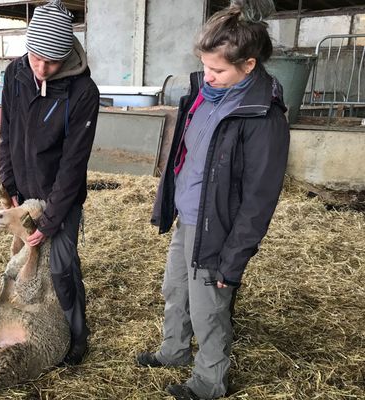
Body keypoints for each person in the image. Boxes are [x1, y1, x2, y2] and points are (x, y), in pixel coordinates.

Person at [136, 1, 290, 399]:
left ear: (249, 65)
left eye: (218, 69)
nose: (208, 76)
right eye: (205, 66)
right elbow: (185, 159)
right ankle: (173, 351)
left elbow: (259, 200)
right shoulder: (203, 95)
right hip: (189, 218)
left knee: (210, 308)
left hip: (219, 231)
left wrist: (234, 258)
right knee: (176, 291)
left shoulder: (262, 117)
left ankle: (208, 381)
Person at [0, 0, 99, 365]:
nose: (41, 68)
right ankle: (35, 323)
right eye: (36, 57)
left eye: (52, 61)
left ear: (67, 54)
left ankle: (76, 336)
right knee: (23, 261)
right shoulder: (16, 73)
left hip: (62, 196)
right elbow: (6, 130)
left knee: (61, 265)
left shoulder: (83, 92)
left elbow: (74, 162)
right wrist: (7, 183)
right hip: (23, 190)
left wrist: (52, 218)